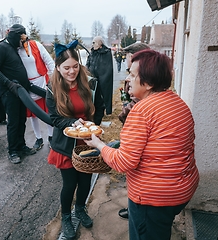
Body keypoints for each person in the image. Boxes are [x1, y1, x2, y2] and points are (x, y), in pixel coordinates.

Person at [84, 49, 199, 240]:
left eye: (132, 74)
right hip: (182, 189)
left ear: (149, 83)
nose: (127, 79)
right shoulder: (177, 102)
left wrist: (98, 144)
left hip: (154, 199)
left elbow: (123, 163)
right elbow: (160, 142)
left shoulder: (142, 111)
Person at [46, 40, 105, 239]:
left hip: (88, 142)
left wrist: (92, 129)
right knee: (69, 184)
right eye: (66, 68)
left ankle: (80, 209)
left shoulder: (90, 83)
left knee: (85, 180)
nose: (72, 72)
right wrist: (73, 123)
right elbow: (54, 118)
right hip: (66, 145)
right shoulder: (52, 88)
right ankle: (65, 217)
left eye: (75, 67)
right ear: (58, 68)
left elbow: (99, 108)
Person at [0, 24, 36, 164]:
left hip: (20, 91)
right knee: (13, 122)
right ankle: (13, 151)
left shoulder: (13, 48)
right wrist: (8, 83)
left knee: (22, 119)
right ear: (15, 36)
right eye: (21, 39)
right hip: (9, 92)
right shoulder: (1, 48)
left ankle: (21, 146)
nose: (22, 43)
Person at [117, 42, 150, 220]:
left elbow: (125, 161)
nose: (127, 60)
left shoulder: (142, 109)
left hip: (151, 193)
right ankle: (133, 206)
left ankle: (135, 208)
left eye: (129, 56)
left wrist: (101, 147)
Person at [19, 36, 54, 150]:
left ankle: (51, 136)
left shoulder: (36, 45)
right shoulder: (14, 49)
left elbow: (49, 62)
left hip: (42, 81)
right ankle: (38, 138)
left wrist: (54, 80)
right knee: (33, 115)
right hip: (27, 85)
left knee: (48, 112)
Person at [86, 36, 114, 115]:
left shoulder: (106, 53)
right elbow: (88, 63)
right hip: (92, 78)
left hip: (103, 78)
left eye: (94, 42)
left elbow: (106, 67)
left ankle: (105, 109)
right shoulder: (92, 53)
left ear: (100, 43)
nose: (92, 44)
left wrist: (102, 77)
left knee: (103, 94)